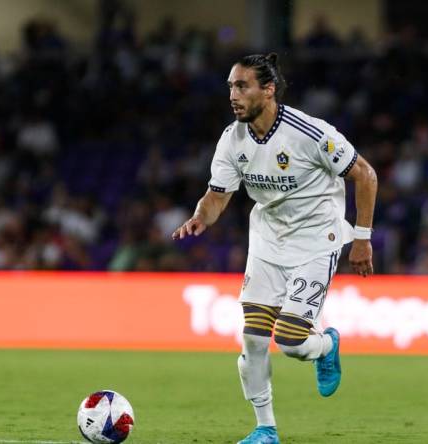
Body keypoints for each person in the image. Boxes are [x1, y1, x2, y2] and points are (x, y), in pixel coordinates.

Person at [172, 53, 377, 444]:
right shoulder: (232, 139)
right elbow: (217, 196)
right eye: (231, 86)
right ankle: (265, 429)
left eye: (242, 86)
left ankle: (326, 344)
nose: (233, 94)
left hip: (318, 239)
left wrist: (363, 237)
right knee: (252, 338)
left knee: (292, 342)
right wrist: (200, 216)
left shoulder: (310, 133)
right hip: (268, 240)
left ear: (268, 90)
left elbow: (365, 174)